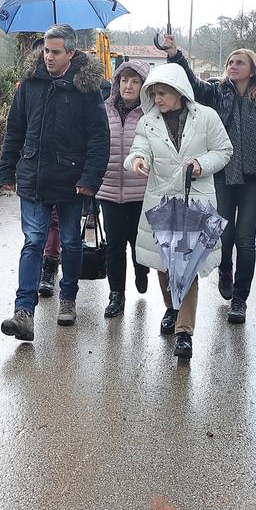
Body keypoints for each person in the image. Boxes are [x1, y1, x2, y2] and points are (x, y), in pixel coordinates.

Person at [0, 23, 111, 340]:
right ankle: (24, 312)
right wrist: (6, 170)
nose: (49, 57)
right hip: (33, 177)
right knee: (33, 242)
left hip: (72, 181)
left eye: (56, 52)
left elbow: (100, 139)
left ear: (71, 53)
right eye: (46, 50)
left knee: (72, 242)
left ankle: (68, 298)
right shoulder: (30, 84)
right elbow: (14, 130)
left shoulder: (87, 89)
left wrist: (90, 178)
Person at [126, 62, 233, 360]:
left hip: (195, 200)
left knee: (188, 266)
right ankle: (172, 308)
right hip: (160, 201)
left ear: (180, 92)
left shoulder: (207, 117)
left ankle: (184, 332)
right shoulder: (148, 122)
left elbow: (224, 151)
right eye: (154, 93)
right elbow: (138, 149)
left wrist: (201, 164)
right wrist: (136, 162)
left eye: (163, 93)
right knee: (164, 265)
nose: (157, 99)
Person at [163, 36, 256, 324]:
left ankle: (240, 299)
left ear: (252, 69)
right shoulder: (217, 92)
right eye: (230, 62)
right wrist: (175, 54)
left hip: (254, 180)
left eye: (239, 62)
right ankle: (225, 270)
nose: (233, 66)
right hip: (221, 174)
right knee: (224, 233)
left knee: (246, 239)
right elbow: (193, 85)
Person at [97, 60, 153, 317]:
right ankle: (116, 295)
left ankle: (141, 270)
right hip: (108, 189)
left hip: (140, 190)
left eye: (134, 81)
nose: (128, 86)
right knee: (114, 245)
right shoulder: (103, 111)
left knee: (137, 241)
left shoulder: (150, 115)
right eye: (123, 80)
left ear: (143, 86)